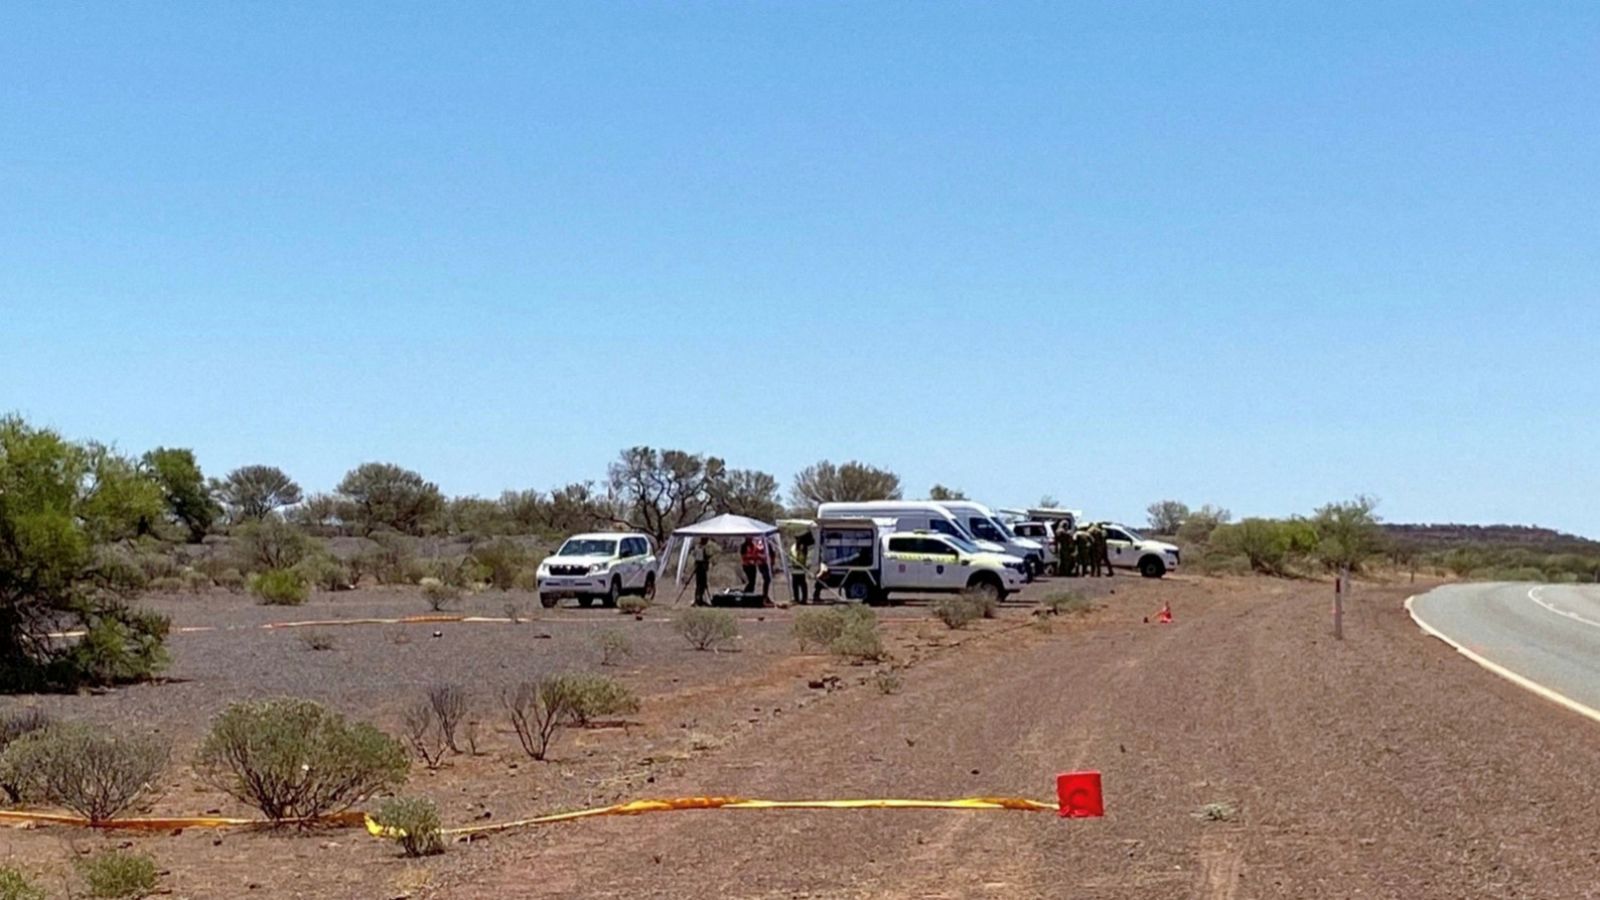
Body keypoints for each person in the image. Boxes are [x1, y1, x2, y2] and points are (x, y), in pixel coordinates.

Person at [790, 531, 815, 605]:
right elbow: (791, 555)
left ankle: (804, 599)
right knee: (795, 584)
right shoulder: (794, 547)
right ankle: (796, 598)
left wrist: (806, 565)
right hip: (794, 567)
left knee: (802, 584)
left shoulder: (804, 547)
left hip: (801, 568)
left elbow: (807, 557)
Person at [691, 539, 713, 605]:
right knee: (702, 584)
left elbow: (694, 554)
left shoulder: (696, 547)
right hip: (702, 567)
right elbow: (706, 556)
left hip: (698, 566)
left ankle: (699, 598)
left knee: (699, 584)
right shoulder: (703, 548)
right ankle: (699, 599)